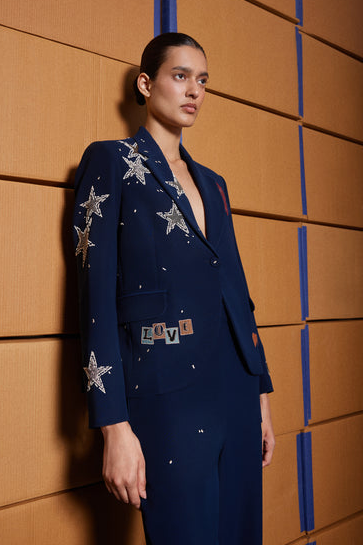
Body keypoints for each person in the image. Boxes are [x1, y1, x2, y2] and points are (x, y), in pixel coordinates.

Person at [73, 32, 275, 545]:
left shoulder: (215, 183)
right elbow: (95, 301)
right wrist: (113, 426)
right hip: (166, 394)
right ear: (146, 84)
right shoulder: (111, 162)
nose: (193, 91)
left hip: (235, 388)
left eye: (202, 80)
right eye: (180, 76)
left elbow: (237, 291)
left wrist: (261, 394)